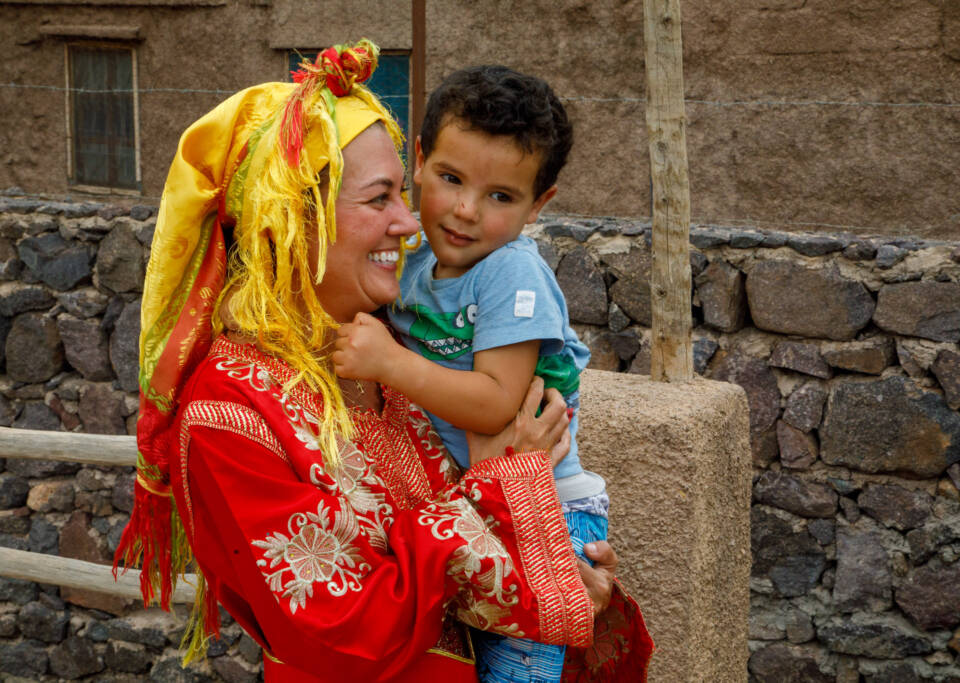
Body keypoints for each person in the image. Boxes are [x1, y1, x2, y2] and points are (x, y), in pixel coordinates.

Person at [114, 40, 652, 682]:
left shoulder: (395, 351)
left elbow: (491, 545)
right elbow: (342, 629)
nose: (409, 222)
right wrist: (496, 500)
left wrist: (565, 574)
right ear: (292, 219)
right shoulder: (229, 415)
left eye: (403, 193)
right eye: (380, 200)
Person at [333, 66, 608, 683]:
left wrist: (390, 364)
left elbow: (494, 405)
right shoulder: (414, 258)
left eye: (500, 197)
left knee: (514, 674)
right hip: (480, 498)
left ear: (540, 204)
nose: (464, 211)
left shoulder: (510, 271)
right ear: (420, 161)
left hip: (544, 507)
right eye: (450, 179)